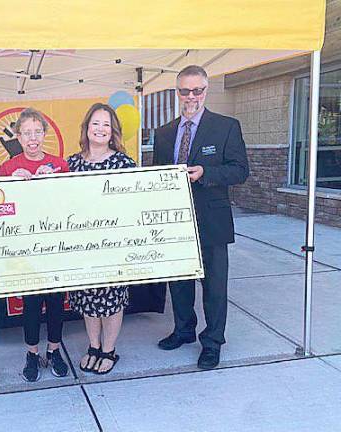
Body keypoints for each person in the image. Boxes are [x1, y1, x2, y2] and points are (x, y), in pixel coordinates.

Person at [153, 65, 249, 369]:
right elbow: (159, 176)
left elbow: (240, 170)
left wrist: (207, 173)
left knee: (214, 286)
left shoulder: (226, 126)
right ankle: (184, 330)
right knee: (179, 281)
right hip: (175, 220)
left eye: (198, 90)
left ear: (206, 90)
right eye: (185, 90)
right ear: (177, 92)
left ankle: (212, 341)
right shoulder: (164, 133)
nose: (191, 96)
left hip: (212, 219)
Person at [0, 108, 70, 382]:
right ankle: (31, 352)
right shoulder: (8, 168)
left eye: (37, 132)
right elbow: (1, 210)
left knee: (55, 301)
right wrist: (11, 184)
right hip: (25, 248)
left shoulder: (59, 164)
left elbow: (70, 203)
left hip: (54, 246)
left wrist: (54, 181)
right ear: (18, 136)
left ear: (45, 134)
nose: (32, 138)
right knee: (30, 303)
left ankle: (54, 350)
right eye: (26, 133)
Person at [67, 103, 136, 375]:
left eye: (106, 124)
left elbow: (133, 205)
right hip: (80, 247)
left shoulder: (123, 163)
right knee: (87, 300)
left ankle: (109, 350)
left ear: (113, 131)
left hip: (112, 246)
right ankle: (93, 347)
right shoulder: (71, 163)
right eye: (95, 123)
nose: (100, 129)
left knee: (111, 299)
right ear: (86, 128)